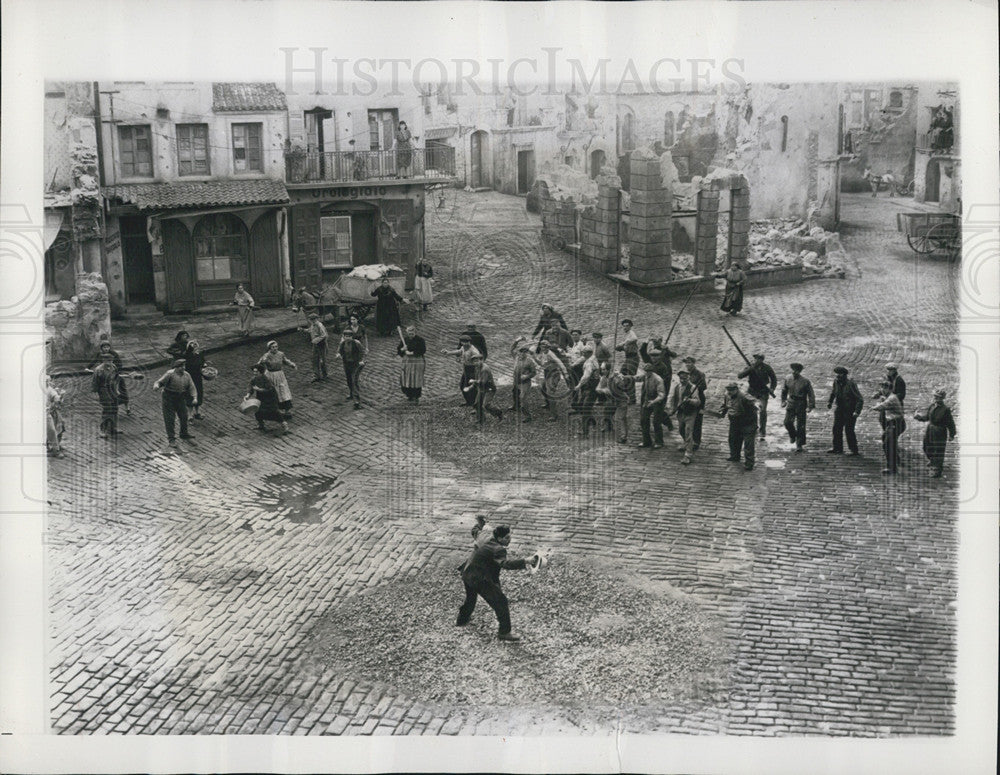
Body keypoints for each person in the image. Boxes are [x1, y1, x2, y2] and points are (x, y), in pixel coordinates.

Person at [456, 525, 535, 642]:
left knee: (471, 598)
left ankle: (462, 620)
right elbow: (505, 564)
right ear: (500, 538)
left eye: (510, 536)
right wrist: (525, 561)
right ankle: (505, 632)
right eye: (507, 537)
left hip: (468, 572)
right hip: (479, 578)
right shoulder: (499, 549)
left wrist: (480, 524)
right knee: (501, 602)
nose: (510, 540)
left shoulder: (486, 537)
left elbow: (475, 532)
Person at [153, 358, 197, 446]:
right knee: (170, 418)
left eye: (184, 366)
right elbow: (159, 382)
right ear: (176, 368)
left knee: (184, 416)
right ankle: (171, 439)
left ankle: (184, 434)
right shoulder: (170, 374)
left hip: (180, 397)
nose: (183, 368)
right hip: (168, 397)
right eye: (181, 367)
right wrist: (156, 386)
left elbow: (191, 387)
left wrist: (194, 397)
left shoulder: (187, 375)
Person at [914, 389, 956, 478]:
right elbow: (927, 417)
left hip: (940, 431)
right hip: (930, 429)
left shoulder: (945, 409)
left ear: (942, 398)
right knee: (926, 446)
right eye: (935, 397)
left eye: (938, 397)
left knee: (938, 450)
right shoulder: (932, 406)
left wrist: (952, 434)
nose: (936, 399)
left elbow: (950, 423)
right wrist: (919, 417)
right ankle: (932, 460)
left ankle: (937, 470)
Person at [640, 337, 678, 430]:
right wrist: (645, 343)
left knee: (658, 409)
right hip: (648, 387)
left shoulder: (664, 356)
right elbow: (642, 352)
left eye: (658, 342)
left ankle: (667, 422)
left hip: (661, 387)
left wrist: (667, 349)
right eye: (654, 342)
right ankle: (644, 425)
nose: (654, 358)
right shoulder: (651, 357)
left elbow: (674, 355)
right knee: (644, 406)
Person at [720, 381, 758, 470]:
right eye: (728, 390)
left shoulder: (744, 396)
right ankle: (735, 456)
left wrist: (756, 408)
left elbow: (755, 402)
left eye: (732, 390)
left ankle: (749, 463)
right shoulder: (727, 395)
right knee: (733, 439)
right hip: (734, 421)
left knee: (748, 443)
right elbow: (725, 405)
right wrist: (722, 410)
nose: (730, 392)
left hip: (747, 422)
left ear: (736, 389)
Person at [738, 353, 777, 439]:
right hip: (752, 392)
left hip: (763, 392)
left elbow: (774, 379)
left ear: (762, 360)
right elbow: (740, 376)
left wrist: (772, 389)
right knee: (752, 411)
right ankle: (754, 428)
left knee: (762, 411)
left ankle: (762, 431)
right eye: (756, 359)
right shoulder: (751, 367)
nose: (757, 360)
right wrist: (750, 369)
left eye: (759, 359)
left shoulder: (767, 368)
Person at [827, 366, 863, 455]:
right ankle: (837, 448)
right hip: (839, 408)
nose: (837, 376)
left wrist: (857, 411)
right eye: (836, 374)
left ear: (844, 375)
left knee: (849, 430)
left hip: (849, 410)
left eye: (839, 374)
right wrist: (830, 402)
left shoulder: (851, 384)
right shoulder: (836, 382)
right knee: (836, 428)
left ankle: (854, 450)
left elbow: (859, 399)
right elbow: (833, 392)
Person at [88, 338, 131, 416]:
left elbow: (119, 364)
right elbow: (94, 361)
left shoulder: (113, 354)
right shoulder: (99, 356)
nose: (106, 349)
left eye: (107, 347)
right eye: (104, 347)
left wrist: (116, 373)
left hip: (115, 375)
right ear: (101, 348)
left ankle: (127, 407)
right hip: (105, 376)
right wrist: (88, 367)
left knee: (122, 391)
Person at [667, 369, 701, 465]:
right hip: (681, 412)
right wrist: (672, 409)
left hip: (690, 413)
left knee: (688, 432)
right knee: (681, 430)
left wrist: (689, 400)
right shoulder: (677, 387)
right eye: (681, 378)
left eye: (685, 378)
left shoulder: (693, 388)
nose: (683, 380)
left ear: (688, 378)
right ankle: (687, 443)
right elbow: (675, 400)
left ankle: (688, 454)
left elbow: (698, 402)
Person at [871, 380, 905, 474]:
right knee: (886, 440)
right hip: (894, 423)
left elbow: (882, 406)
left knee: (887, 444)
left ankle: (892, 468)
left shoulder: (891, 398)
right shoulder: (888, 396)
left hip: (896, 423)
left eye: (884, 388)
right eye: (881, 388)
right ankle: (896, 460)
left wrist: (874, 407)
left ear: (889, 389)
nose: (882, 390)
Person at [781, 362, 816, 452]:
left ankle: (799, 444)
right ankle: (793, 435)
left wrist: (810, 406)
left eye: (796, 370)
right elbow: (784, 390)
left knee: (801, 425)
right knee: (787, 422)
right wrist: (783, 401)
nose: (794, 372)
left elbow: (811, 394)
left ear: (799, 371)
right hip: (791, 402)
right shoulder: (788, 379)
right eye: (793, 370)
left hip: (801, 403)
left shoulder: (805, 381)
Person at [246, 363, 289, 434]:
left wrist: (259, 389)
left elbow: (269, 389)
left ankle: (284, 425)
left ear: (261, 372)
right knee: (258, 410)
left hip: (270, 397)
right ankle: (261, 424)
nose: (255, 373)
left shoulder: (266, 378)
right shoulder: (253, 379)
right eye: (254, 371)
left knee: (274, 411)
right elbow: (251, 387)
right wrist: (247, 395)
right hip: (260, 397)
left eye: (256, 372)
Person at [258, 340, 297, 416]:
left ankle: (287, 410)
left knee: (283, 390)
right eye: (273, 347)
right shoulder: (266, 355)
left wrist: (292, 365)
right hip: (271, 375)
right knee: (274, 392)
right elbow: (259, 364)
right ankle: (276, 409)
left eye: (276, 346)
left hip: (280, 375)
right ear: (269, 348)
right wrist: (262, 364)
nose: (275, 348)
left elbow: (285, 361)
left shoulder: (281, 354)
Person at [442, 335, 482, 407]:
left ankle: (474, 403)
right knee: (462, 386)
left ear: (469, 342)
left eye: (467, 342)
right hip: (466, 369)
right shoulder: (464, 347)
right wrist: (448, 352)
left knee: (471, 387)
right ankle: (469, 402)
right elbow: (459, 351)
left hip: (473, 369)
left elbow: (478, 361)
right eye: (463, 342)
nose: (465, 344)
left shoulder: (474, 351)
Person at [636, 360, 667, 449]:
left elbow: (661, 395)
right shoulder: (645, 376)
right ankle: (646, 441)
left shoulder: (658, 380)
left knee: (656, 422)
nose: (646, 373)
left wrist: (653, 402)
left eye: (648, 371)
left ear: (651, 371)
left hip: (657, 401)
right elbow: (637, 378)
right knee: (643, 420)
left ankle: (659, 442)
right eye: (645, 371)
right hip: (648, 400)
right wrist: (626, 377)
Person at [535, 339, 568, 420]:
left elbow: (560, 362)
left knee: (550, 394)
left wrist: (566, 373)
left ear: (548, 347)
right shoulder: (543, 353)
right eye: (542, 347)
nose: (543, 349)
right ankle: (548, 404)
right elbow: (542, 364)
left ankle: (554, 415)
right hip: (547, 373)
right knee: (543, 388)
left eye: (545, 347)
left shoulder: (551, 354)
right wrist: (534, 357)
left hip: (554, 374)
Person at [91, 353, 121, 439]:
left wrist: (117, 389)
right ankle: (102, 430)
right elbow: (95, 383)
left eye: (111, 360)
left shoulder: (113, 367)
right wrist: (97, 394)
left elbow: (116, 378)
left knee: (115, 408)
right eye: (108, 360)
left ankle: (113, 427)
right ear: (103, 360)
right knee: (107, 410)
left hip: (113, 390)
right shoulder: (99, 370)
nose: (110, 362)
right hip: (104, 391)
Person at [466, 353, 502, 424]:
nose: (475, 363)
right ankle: (481, 419)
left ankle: (499, 414)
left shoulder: (484, 369)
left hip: (489, 389)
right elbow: (478, 379)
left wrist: (474, 381)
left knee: (486, 405)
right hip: (482, 388)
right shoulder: (477, 367)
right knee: (476, 404)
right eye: (474, 361)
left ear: (481, 360)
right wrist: (472, 385)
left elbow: (483, 382)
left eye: (477, 361)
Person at [574, 344, 600, 436]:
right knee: (581, 406)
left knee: (585, 408)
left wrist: (579, 385)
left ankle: (585, 431)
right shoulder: (593, 358)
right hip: (591, 387)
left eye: (584, 353)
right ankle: (593, 422)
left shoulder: (589, 362)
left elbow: (586, 376)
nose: (582, 354)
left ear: (588, 353)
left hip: (590, 388)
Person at [682, 357, 708, 450]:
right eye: (686, 363)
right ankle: (687, 441)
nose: (687, 365)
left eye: (689, 363)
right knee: (687, 420)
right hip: (688, 400)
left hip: (699, 399)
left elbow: (704, 386)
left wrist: (695, 388)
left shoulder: (699, 374)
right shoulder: (686, 374)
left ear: (693, 363)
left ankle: (696, 442)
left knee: (697, 421)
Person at [397, 325, 427, 403]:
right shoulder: (405, 340)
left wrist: (412, 353)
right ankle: (409, 395)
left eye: (412, 334)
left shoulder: (420, 340)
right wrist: (402, 349)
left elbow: (422, 350)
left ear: (415, 333)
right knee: (407, 377)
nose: (411, 335)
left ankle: (416, 396)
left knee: (416, 378)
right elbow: (399, 350)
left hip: (417, 361)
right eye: (409, 334)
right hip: (407, 362)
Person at [337, 331, 366, 409]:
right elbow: (340, 351)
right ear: (344, 336)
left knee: (354, 381)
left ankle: (357, 401)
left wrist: (361, 360)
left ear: (352, 337)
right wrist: (339, 354)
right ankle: (351, 394)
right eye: (346, 336)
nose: (347, 338)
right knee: (349, 380)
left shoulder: (357, 343)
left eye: (349, 336)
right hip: (347, 364)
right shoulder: (343, 343)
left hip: (356, 364)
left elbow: (363, 352)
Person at [609, 364, 636, 444]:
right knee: (622, 419)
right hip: (620, 401)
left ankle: (621, 437)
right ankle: (622, 436)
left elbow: (621, 388)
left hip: (622, 402)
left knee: (619, 419)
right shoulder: (614, 379)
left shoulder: (618, 380)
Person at [511, 344, 537, 423]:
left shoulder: (529, 361)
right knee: (514, 393)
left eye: (524, 352)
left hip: (525, 382)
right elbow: (511, 349)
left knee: (523, 398)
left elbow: (534, 372)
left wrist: (527, 376)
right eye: (521, 352)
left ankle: (528, 416)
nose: (522, 354)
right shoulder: (516, 358)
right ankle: (515, 406)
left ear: (526, 353)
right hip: (516, 381)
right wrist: (517, 341)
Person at [183, 340, 207, 419]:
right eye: (194, 347)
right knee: (190, 395)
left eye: (196, 347)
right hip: (189, 378)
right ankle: (190, 415)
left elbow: (203, 362)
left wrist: (204, 366)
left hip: (198, 378)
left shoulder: (199, 355)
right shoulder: (187, 356)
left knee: (198, 393)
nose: (196, 349)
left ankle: (197, 412)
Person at [45, 377, 66, 458]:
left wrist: (60, 396)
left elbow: (57, 399)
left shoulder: (50, 390)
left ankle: (55, 450)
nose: (47, 382)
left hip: (46, 413)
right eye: (45, 381)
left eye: (48, 381)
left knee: (52, 430)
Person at [308, 312, 329, 382]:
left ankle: (325, 375)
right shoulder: (312, 325)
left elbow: (324, 335)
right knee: (314, 360)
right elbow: (310, 330)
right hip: (315, 345)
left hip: (322, 345)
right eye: (311, 319)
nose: (312, 321)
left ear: (317, 319)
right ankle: (316, 375)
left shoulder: (320, 325)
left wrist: (315, 340)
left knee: (322, 361)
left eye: (314, 319)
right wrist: (302, 330)